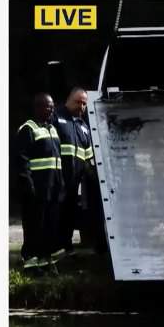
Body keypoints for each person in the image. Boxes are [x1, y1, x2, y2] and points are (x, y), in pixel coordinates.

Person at [15, 93, 65, 268]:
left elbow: (57, 160)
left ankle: (45, 259)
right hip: (36, 188)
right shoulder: (28, 129)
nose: (51, 109)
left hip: (53, 188)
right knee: (33, 225)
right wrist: (28, 186)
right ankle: (29, 259)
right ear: (37, 108)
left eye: (52, 106)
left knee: (49, 225)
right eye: (47, 106)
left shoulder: (52, 129)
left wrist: (61, 185)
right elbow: (21, 160)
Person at [52, 87, 92, 255]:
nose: (81, 106)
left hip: (76, 180)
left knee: (69, 214)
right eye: (78, 102)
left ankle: (66, 247)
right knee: (55, 213)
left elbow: (88, 154)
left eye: (84, 104)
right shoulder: (56, 117)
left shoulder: (84, 127)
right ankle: (52, 247)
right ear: (68, 100)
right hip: (57, 177)